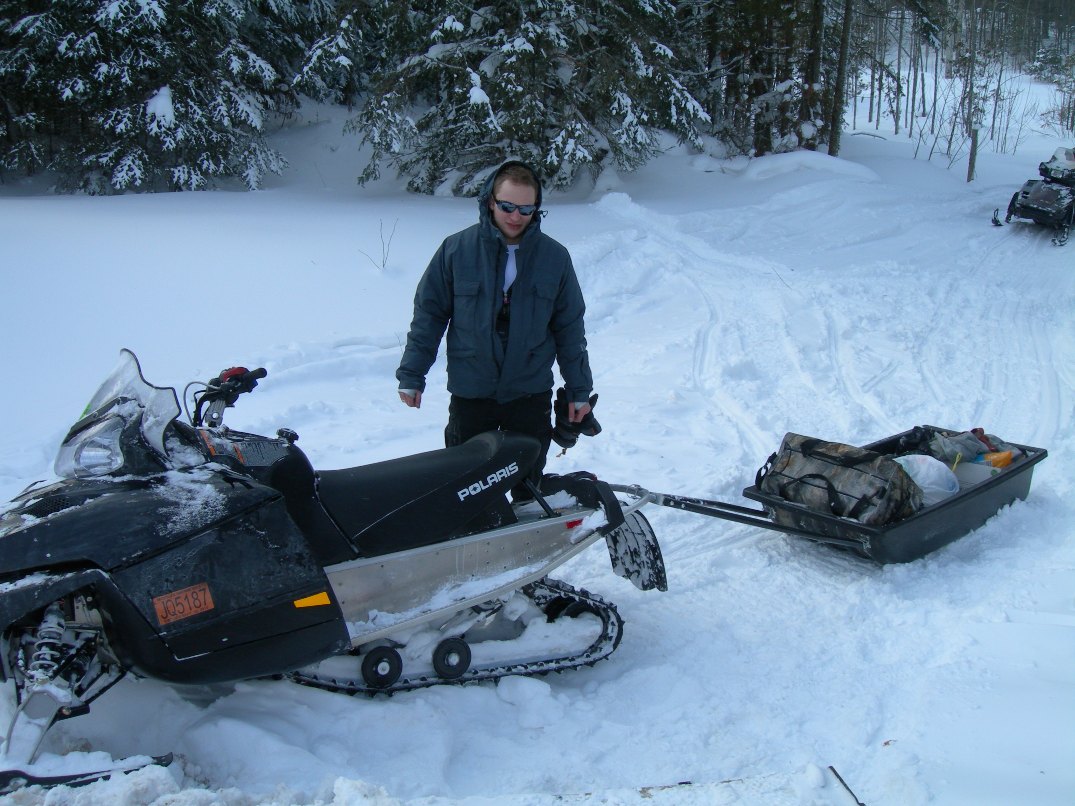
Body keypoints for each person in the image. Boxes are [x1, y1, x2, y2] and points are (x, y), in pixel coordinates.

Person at [396, 159, 594, 500]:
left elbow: (570, 328)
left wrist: (579, 391)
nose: (516, 217)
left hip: (529, 392)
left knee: (527, 484)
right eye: (507, 207)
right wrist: (413, 373)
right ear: (490, 201)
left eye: (526, 209)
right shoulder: (456, 250)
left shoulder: (555, 258)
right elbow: (429, 316)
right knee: (465, 485)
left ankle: (527, 530)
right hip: (472, 391)